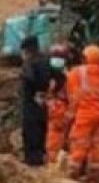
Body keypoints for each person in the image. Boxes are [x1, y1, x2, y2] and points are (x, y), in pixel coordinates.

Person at [66, 45, 99, 183]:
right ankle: (94, 172)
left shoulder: (77, 72)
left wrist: (70, 114)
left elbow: (74, 95)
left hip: (85, 114)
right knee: (97, 144)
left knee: (79, 141)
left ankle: (73, 171)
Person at [19, 36, 51, 166]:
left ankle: (32, 162)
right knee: (42, 132)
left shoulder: (29, 64)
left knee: (31, 133)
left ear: (26, 51)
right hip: (45, 104)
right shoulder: (46, 61)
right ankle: (41, 158)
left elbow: (30, 78)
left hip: (31, 104)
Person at [45, 44, 71, 167]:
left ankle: (54, 162)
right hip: (58, 107)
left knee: (57, 136)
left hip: (60, 108)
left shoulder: (68, 76)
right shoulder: (48, 75)